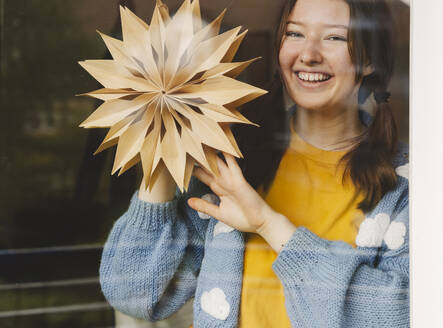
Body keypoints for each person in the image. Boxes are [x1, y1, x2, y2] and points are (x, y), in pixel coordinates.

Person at [99, 0, 410, 327]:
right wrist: (161, 145)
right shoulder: (233, 162)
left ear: (371, 59)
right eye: (295, 33)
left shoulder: (404, 187)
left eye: (333, 38)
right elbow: (134, 295)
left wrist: (266, 223)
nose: (308, 54)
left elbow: (397, 315)